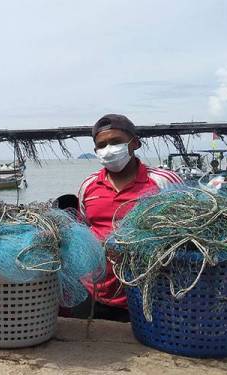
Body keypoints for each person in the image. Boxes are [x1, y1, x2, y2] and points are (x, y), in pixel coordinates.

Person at [75, 114, 183, 321]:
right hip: (94, 291)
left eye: (116, 142)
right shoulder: (88, 185)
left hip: (147, 294)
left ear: (135, 143)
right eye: (102, 145)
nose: (108, 149)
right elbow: (84, 229)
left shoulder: (163, 181)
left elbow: (185, 231)